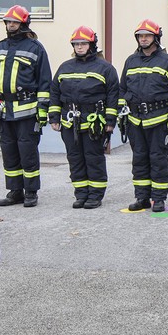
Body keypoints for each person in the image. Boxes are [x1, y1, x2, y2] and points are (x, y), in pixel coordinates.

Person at [0, 5, 52, 208]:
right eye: (8, 22)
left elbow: (44, 81)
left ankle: (31, 192)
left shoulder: (35, 48)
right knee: (9, 152)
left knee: (27, 152)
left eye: (15, 22)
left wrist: (43, 110)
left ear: (23, 24)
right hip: (4, 111)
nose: (11, 25)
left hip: (27, 110)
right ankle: (15, 192)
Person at [48, 26, 119, 209]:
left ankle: (95, 195)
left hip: (94, 123)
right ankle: (81, 194)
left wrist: (110, 122)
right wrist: (54, 117)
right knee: (75, 158)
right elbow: (54, 93)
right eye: (76, 44)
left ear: (92, 45)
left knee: (93, 158)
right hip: (69, 122)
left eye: (83, 43)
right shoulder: (65, 67)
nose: (79, 47)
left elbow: (113, 96)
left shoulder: (105, 68)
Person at [119, 19, 168, 212]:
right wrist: (122, 114)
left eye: (147, 35)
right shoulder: (131, 61)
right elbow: (122, 89)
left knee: (158, 159)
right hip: (135, 119)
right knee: (139, 159)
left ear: (156, 38)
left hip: (159, 119)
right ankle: (142, 197)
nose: (143, 39)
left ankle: (159, 198)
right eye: (140, 36)